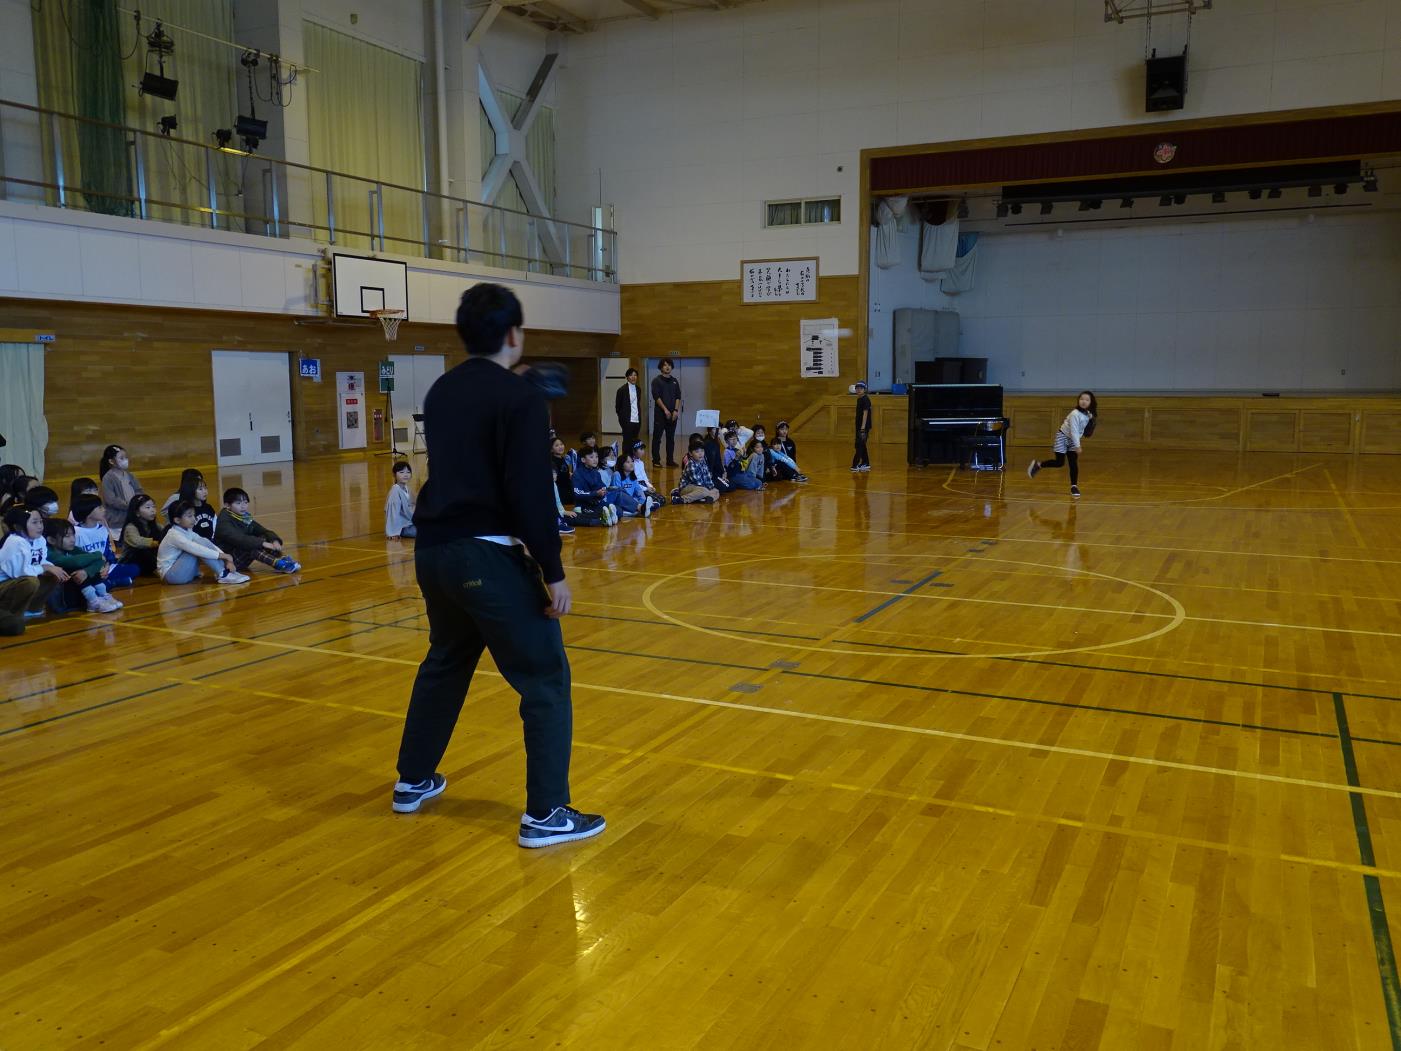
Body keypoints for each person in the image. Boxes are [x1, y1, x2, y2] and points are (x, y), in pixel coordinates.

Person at [393, 282, 605, 848]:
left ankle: (412, 780)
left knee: (447, 659)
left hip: (433, 552)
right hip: (485, 552)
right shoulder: (520, 399)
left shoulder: (441, 391)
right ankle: (547, 814)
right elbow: (529, 490)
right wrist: (553, 571)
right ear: (513, 334)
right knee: (545, 679)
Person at [0, 507, 67, 633]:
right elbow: (19, 573)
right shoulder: (15, 542)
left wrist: (51, 567)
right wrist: (44, 568)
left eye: (41, 522)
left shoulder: (39, 540)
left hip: (14, 581)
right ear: (18, 527)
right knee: (30, 582)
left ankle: (32, 609)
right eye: (34, 522)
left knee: (52, 574)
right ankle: (11, 613)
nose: (40, 526)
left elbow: (41, 561)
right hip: (5, 583)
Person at [157, 500, 249, 585]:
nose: (194, 519)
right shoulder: (174, 535)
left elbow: (207, 543)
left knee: (202, 540)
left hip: (183, 573)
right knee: (197, 547)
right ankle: (223, 574)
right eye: (189, 516)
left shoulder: (188, 531)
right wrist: (225, 556)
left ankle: (225, 571)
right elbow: (198, 549)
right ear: (177, 520)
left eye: (194, 515)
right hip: (172, 576)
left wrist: (226, 559)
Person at [1028, 391, 1098, 498]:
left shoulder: (1088, 414)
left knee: (1073, 463)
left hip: (1073, 440)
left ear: (1091, 402)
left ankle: (1074, 486)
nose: (1083, 401)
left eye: (1087, 400)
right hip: (1063, 437)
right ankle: (1038, 465)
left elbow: (1083, 430)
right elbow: (1074, 431)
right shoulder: (1075, 414)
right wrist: (1078, 445)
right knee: (1059, 463)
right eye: (1081, 399)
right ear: (1078, 400)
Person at [43, 518, 122, 613]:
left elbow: (100, 561)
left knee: (88, 566)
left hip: (78, 594)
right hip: (63, 601)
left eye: (73, 535)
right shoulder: (48, 553)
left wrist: (87, 571)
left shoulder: (72, 549)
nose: (72, 539)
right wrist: (97, 555)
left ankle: (103, 595)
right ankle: (94, 601)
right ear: (51, 540)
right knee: (74, 567)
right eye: (67, 536)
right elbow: (75, 562)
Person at [216, 488, 301, 573]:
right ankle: (279, 564)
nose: (243, 506)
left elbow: (262, 530)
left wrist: (274, 540)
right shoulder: (224, 520)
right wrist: (263, 543)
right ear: (227, 505)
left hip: (238, 554)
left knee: (265, 537)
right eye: (238, 503)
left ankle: (282, 558)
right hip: (228, 562)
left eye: (245, 502)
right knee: (251, 545)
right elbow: (239, 539)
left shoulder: (242, 517)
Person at [71, 495, 140, 588]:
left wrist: (107, 566)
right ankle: (111, 582)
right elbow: (74, 557)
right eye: (99, 507)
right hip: (88, 570)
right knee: (81, 581)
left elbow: (108, 552)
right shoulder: (75, 532)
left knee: (135, 568)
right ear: (88, 511)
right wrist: (91, 570)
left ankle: (107, 582)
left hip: (104, 567)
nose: (104, 509)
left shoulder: (103, 529)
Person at [99, 445, 144, 539]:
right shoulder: (108, 478)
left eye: (126, 457)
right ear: (111, 461)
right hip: (118, 520)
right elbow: (111, 500)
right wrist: (129, 505)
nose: (125, 460)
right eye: (121, 458)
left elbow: (139, 490)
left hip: (132, 516)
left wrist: (139, 502)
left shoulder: (130, 475)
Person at [572, 446, 619, 526]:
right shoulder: (577, 474)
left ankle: (606, 517)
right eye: (591, 457)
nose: (595, 459)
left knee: (619, 510)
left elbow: (602, 486)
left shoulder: (596, 473)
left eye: (596, 457)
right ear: (583, 460)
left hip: (597, 503)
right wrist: (595, 493)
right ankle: (604, 518)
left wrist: (604, 490)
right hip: (585, 505)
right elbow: (578, 494)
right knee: (593, 514)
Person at [120, 494, 165, 577]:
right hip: (130, 561)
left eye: (154, 507)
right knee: (141, 551)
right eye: (148, 507)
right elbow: (137, 541)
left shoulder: (156, 525)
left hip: (147, 563)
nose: (153, 510)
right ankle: (161, 570)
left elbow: (166, 533)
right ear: (137, 512)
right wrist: (155, 543)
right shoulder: (130, 527)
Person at [650, 358, 683, 468]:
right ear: (661, 367)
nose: (667, 367)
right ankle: (656, 460)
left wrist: (676, 410)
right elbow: (656, 397)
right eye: (664, 365)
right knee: (657, 438)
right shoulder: (656, 381)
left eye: (669, 365)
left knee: (670, 439)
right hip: (660, 415)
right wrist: (665, 410)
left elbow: (678, 396)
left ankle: (670, 460)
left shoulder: (674, 381)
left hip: (673, 415)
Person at [385, 462, 417, 539]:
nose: (405, 475)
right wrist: (393, 532)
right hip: (402, 528)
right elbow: (393, 513)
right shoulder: (395, 491)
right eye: (401, 472)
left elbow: (414, 505)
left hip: (410, 523)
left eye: (408, 472)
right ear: (394, 475)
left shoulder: (407, 489)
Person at [615, 367, 643, 452]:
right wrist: (623, 419)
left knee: (635, 441)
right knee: (627, 442)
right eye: (631, 375)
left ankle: (633, 460)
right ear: (627, 377)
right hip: (627, 420)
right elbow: (618, 407)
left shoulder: (638, 389)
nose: (633, 377)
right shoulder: (621, 390)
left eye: (635, 375)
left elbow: (637, 404)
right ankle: (625, 460)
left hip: (637, 420)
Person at [852, 381, 872, 472]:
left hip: (863, 427)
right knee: (862, 444)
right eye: (857, 388)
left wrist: (863, 428)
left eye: (861, 388)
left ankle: (855, 465)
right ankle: (866, 463)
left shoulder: (865, 399)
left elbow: (865, 413)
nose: (859, 390)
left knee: (859, 445)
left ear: (864, 390)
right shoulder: (859, 399)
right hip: (859, 426)